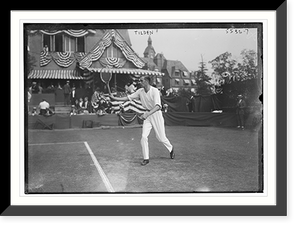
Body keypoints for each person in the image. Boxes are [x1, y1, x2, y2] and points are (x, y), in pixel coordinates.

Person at [109, 75, 174, 166]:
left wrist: (147, 114)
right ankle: (146, 158)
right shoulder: (140, 91)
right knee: (143, 136)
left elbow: (158, 106)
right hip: (147, 115)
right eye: (140, 80)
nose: (140, 82)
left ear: (147, 81)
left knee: (161, 138)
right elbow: (128, 98)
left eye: (142, 80)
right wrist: (115, 98)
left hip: (156, 114)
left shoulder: (155, 91)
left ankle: (171, 149)